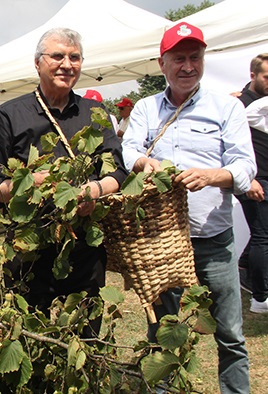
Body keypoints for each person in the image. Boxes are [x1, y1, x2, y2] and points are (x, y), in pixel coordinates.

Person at [121, 22, 254, 393]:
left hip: (214, 239)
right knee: (163, 332)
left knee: (229, 333)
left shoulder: (227, 107)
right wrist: (145, 164)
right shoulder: (147, 109)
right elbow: (128, 149)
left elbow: (245, 166)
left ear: (203, 60)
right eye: (178, 59)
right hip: (162, 242)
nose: (188, 66)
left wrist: (214, 175)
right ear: (162, 64)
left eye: (195, 57)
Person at [0, 27, 127, 336]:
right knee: (25, 339)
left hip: (84, 252)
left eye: (74, 57)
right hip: (28, 252)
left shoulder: (95, 113)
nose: (67, 64)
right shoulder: (10, 115)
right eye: (58, 56)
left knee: (84, 342)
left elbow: (118, 171)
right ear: (38, 63)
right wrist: (29, 183)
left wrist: (95, 189)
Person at [233, 54, 268, 312]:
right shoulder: (237, 103)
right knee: (262, 235)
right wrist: (249, 179)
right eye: (266, 76)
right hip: (254, 179)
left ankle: (244, 265)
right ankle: (261, 297)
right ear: (253, 75)